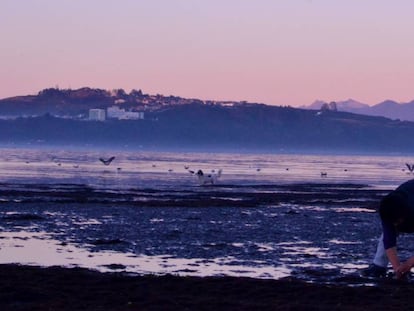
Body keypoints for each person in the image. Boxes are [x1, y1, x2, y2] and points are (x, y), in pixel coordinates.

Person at [362, 179, 414, 279]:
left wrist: (409, 264)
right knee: (387, 234)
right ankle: (379, 266)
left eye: (397, 222)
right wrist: (397, 269)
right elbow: (389, 240)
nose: (395, 225)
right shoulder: (388, 209)